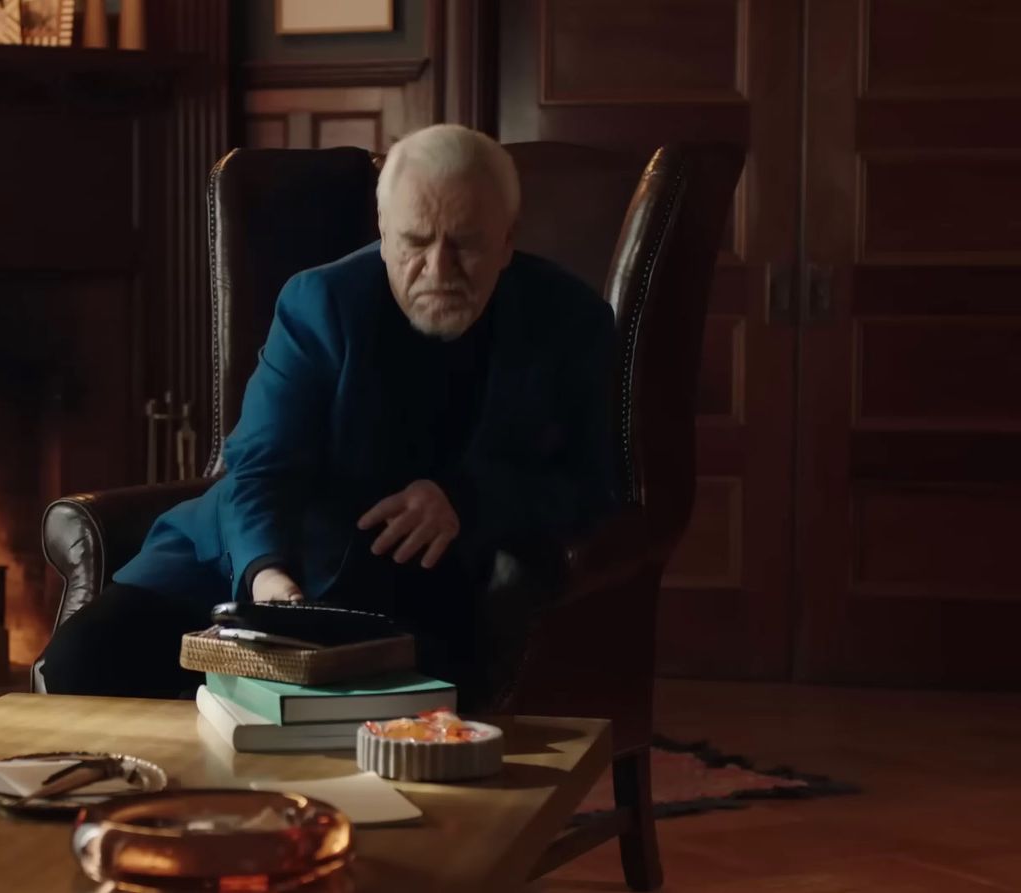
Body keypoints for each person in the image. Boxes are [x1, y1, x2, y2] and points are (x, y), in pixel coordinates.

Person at [37, 124, 616, 709]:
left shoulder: (571, 323)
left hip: (420, 596)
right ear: (383, 234)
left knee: (405, 729)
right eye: (416, 242)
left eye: (465, 244)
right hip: (249, 565)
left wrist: (465, 499)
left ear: (508, 239)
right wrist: (267, 578)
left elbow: (594, 487)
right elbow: (258, 468)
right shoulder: (322, 303)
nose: (439, 271)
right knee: (80, 662)